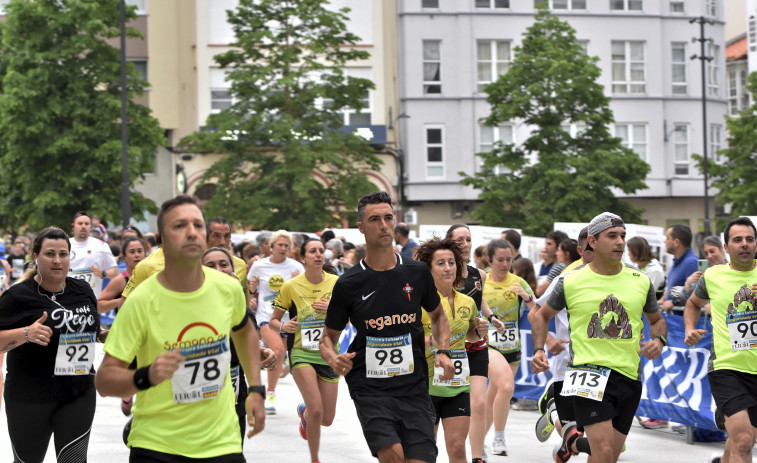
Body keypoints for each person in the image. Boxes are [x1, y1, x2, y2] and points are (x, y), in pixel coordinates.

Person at [95, 195, 266, 461]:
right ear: (161, 239)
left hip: (222, 443)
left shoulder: (228, 288)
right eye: (180, 226)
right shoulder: (141, 301)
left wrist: (255, 388)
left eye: (198, 225)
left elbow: (244, 331)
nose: (191, 232)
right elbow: (104, 381)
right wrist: (146, 376)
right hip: (158, 446)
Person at [319, 191, 454, 463]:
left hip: (413, 385)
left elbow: (438, 316)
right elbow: (327, 338)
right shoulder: (349, 283)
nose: (383, 225)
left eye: (388, 218)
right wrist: (334, 359)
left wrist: (443, 351)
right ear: (361, 227)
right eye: (374, 219)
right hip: (370, 388)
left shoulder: (416, 273)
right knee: (393, 455)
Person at [531, 212, 667, 463]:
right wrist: (540, 348)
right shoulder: (570, 281)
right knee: (603, 450)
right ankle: (571, 437)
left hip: (628, 375)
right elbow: (540, 315)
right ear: (592, 241)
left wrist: (659, 341)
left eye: (623, 236)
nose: (620, 242)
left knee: (609, 456)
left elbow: (656, 320)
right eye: (612, 236)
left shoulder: (641, 280)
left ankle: (572, 441)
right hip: (588, 373)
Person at [0, 226, 100, 463]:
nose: (57, 260)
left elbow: (91, 330)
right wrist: (27, 333)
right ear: (35, 257)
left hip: (78, 391)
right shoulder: (17, 297)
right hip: (29, 397)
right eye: (50, 254)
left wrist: (106, 334)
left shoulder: (83, 290)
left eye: (63, 254)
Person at [684, 217, 757, 463]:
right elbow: (693, 304)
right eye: (738, 240)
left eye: (749, 239)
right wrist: (689, 328)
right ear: (727, 247)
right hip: (727, 368)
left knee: (742, 440)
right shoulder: (713, 276)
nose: (744, 244)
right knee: (744, 440)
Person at [271, 238, 340, 463]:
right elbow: (273, 320)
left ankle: (304, 413)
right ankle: (314, 458)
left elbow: (349, 320)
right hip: (302, 352)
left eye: (321, 250)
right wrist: (284, 327)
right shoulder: (291, 286)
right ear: (303, 258)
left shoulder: (336, 283)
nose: (318, 254)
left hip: (330, 354)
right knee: (317, 409)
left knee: (326, 419)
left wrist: (334, 309)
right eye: (313, 251)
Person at [529, 227, 595, 458]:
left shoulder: (620, 275)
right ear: (581, 250)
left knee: (602, 435)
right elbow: (535, 312)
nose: (597, 251)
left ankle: (556, 413)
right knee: (579, 435)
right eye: (591, 246)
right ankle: (554, 411)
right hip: (569, 363)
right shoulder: (568, 276)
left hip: (604, 365)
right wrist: (547, 341)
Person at [202, 247, 277, 445]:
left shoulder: (242, 311)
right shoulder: (186, 308)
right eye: (210, 266)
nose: (218, 269)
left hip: (235, 396)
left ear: (233, 272)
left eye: (223, 264)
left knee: (233, 453)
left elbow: (246, 345)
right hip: (196, 402)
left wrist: (263, 352)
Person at [414, 237, 478, 463]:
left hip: (456, 385)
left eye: (451, 262)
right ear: (428, 269)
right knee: (424, 452)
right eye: (440, 263)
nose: (448, 268)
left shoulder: (467, 302)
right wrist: (436, 343)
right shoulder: (419, 303)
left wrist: (478, 330)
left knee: (458, 447)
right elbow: (409, 339)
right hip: (424, 386)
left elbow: (469, 335)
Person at [446, 224, 505, 463]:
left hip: (477, 345)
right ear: (449, 243)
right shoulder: (440, 273)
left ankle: (477, 457)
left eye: (468, 239)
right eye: (459, 240)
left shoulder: (478, 274)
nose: (465, 244)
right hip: (449, 347)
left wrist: (491, 317)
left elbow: (480, 303)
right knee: (439, 405)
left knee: (479, 403)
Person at [483, 238, 536, 456]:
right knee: (506, 387)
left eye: (509, 259)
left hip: (511, 346)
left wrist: (528, 297)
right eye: (500, 260)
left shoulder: (519, 281)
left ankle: (477, 440)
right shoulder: (482, 281)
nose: (505, 264)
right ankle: (499, 439)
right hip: (487, 345)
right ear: (489, 260)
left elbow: (537, 313)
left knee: (495, 393)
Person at [247, 229, 305, 415]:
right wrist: (252, 292)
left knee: (279, 356)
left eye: (287, 246)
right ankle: (269, 394)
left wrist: (298, 283)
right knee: (278, 351)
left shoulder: (296, 267)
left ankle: (270, 390)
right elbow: (250, 291)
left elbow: (304, 294)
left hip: (288, 320)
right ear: (271, 247)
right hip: (266, 317)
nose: (283, 248)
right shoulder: (259, 266)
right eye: (280, 245)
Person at [97, 236, 147, 415]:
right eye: (132, 252)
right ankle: (127, 397)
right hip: (127, 334)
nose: (137, 255)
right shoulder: (121, 280)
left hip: (149, 333)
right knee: (130, 373)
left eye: (140, 251)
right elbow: (99, 304)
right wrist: (122, 300)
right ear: (124, 257)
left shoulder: (153, 276)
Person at [69, 211, 119, 298]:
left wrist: (103, 273)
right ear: (73, 226)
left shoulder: (101, 245)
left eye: (86, 224)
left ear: (91, 227)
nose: (83, 226)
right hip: (69, 300)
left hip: (92, 300)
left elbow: (115, 272)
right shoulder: (64, 245)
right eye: (80, 223)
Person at [207, 216, 248, 288]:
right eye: (216, 236)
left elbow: (244, 296)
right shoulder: (194, 264)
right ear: (205, 237)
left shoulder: (240, 265)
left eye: (226, 236)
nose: (222, 242)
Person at [535, 231, 569, 297]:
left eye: (549, 244)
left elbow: (539, 291)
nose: (545, 247)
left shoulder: (561, 266)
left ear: (559, 246)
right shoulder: (558, 265)